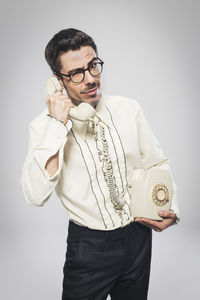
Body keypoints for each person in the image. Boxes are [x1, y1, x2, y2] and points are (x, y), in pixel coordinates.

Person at [20, 28, 180, 300]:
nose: (91, 79)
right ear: (58, 81)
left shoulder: (128, 109)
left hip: (138, 238)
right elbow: (35, 195)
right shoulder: (44, 128)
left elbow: (157, 161)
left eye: (93, 66)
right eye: (76, 73)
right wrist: (58, 125)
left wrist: (170, 209)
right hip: (89, 248)